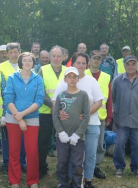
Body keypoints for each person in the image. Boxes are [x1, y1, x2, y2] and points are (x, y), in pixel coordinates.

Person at [54, 52, 103, 188]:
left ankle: (87, 180)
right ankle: (71, 180)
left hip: (91, 123)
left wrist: (85, 113)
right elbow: (55, 101)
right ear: (73, 64)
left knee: (90, 154)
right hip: (71, 126)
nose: (81, 66)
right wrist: (59, 112)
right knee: (74, 156)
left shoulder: (91, 81)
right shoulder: (66, 81)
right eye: (78, 63)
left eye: (83, 63)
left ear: (86, 65)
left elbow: (99, 101)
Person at [4, 52, 45, 188]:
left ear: (33, 63)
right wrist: (18, 116)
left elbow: (39, 100)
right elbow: (8, 98)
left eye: (30, 60)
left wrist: (23, 115)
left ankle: (33, 181)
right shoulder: (12, 78)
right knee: (14, 150)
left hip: (32, 117)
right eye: (25, 60)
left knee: (32, 150)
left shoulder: (38, 79)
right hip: (13, 117)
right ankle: (14, 181)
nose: (27, 63)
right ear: (21, 62)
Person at [112, 55, 138, 179]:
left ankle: (136, 168)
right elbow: (114, 97)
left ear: (137, 65)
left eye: (133, 64)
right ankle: (119, 167)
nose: (130, 67)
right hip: (121, 118)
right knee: (119, 144)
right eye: (128, 64)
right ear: (124, 66)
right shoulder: (117, 80)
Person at [53, 67, 90, 188]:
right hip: (62, 137)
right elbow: (55, 116)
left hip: (78, 138)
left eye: (75, 77)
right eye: (69, 76)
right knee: (62, 163)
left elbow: (86, 117)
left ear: (78, 79)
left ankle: (77, 184)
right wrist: (61, 132)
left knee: (77, 163)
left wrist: (78, 134)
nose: (72, 79)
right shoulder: (60, 96)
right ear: (65, 79)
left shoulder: (83, 95)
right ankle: (63, 183)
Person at [0, 42, 27, 173]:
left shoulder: (26, 65)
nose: (14, 55)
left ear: (20, 52)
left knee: (22, 136)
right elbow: (0, 90)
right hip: (8, 106)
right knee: (7, 136)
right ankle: (6, 161)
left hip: (24, 107)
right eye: (11, 52)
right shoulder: (0, 67)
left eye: (16, 52)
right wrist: (2, 112)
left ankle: (22, 162)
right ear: (7, 54)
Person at [37, 45, 67, 179]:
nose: (56, 58)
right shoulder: (42, 70)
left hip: (64, 114)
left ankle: (63, 170)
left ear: (63, 57)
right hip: (45, 113)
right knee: (42, 143)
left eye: (58, 56)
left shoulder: (68, 71)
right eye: (53, 56)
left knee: (63, 142)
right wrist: (55, 107)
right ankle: (41, 168)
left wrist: (60, 108)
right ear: (49, 57)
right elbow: (40, 92)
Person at [85, 50, 112, 179]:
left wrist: (109, 116)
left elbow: (109, 98)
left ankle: (96, 166)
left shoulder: (106, 77)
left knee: (99, 144)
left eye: (99, 59)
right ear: (89, 60)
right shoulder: (82, 74)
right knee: (82, 143)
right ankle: (83, 166)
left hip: (100, 115)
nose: (96, 61)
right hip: (83, 115)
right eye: (94, 58)